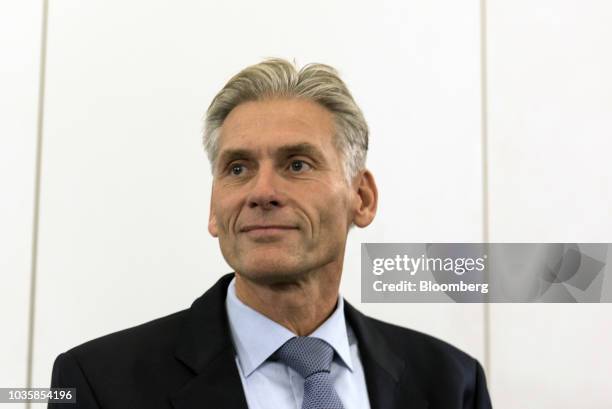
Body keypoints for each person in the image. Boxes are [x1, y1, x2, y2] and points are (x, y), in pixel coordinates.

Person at [49, 58, 492, 409]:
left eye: (297, 164)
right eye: (238, 169)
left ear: (362, 198)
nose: (262, 192)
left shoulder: (451, 383)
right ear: (214, 210)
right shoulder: (99, 385)